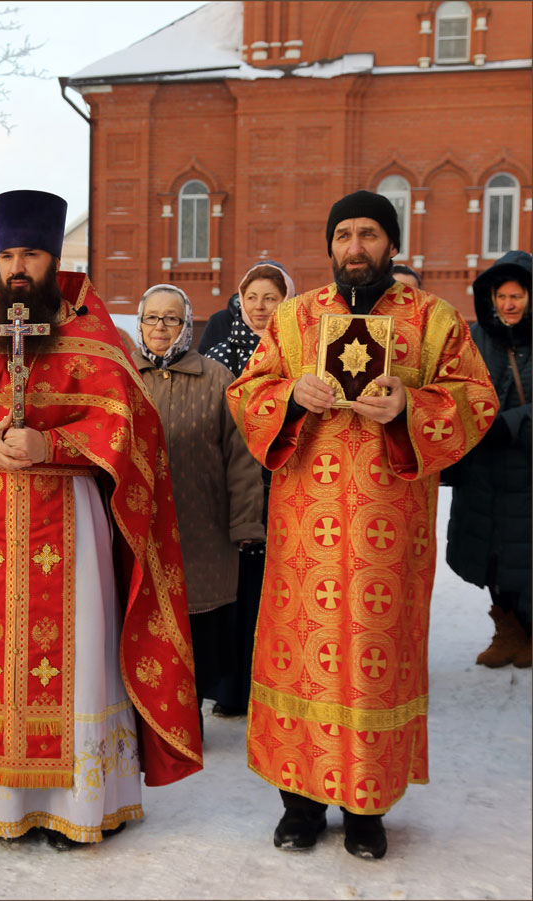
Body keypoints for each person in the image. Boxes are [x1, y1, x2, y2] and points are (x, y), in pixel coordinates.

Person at [0, 189, 202, 851]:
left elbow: (133, 425)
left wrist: (58, 445)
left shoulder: (93, 328)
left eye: (32, 253)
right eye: (8, 254)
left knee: (74, 657)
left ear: (54, 258)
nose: (18, 266)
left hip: (70, 514)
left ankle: (71, 802)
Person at [227, 190, 497, 860]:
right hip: (303, 532)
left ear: (392, 243)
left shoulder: (433, 319)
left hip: (389, 530)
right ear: (329, 246)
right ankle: (300, 804)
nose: (355, 246)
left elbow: (477, 398)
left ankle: (368, 807)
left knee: (373, 662)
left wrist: (410, 402)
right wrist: (292, 395)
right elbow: (247, 392)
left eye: (369, 234)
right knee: (302, 661)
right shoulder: (293, 318)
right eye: (343, 234)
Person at [129, 284, 264, 729]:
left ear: (187, 325)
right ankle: (143, 718)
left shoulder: (215, 377)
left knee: (199, 629)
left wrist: (246, 522)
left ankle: (189, 718)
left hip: (202, 529)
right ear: (140, 323)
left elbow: (240, 457)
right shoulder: (123, 376)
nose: (161, 327)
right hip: (136, 527)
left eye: (172, 318)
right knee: (143, 623)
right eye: (152, 318)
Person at [204, 261, 296, 717]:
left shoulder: (299, 354)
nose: (260, 307)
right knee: (237, 586)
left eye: (271, 298)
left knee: (276, 588)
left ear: (286, 303)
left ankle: (274, 686)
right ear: (240, 301)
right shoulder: (219, 356)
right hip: (235, 488)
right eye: (252, 297)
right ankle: (232, 689)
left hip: (285, 483)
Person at [444, 250, 531, 667]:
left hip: (526, 470)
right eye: (502, 296)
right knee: (491, 555)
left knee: (524, 557)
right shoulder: (476, 338)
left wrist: (509, 424)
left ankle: (527, 632)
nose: (509, 304)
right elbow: (455, 388)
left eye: (517, 296)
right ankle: (506, 631)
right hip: (483, 471)